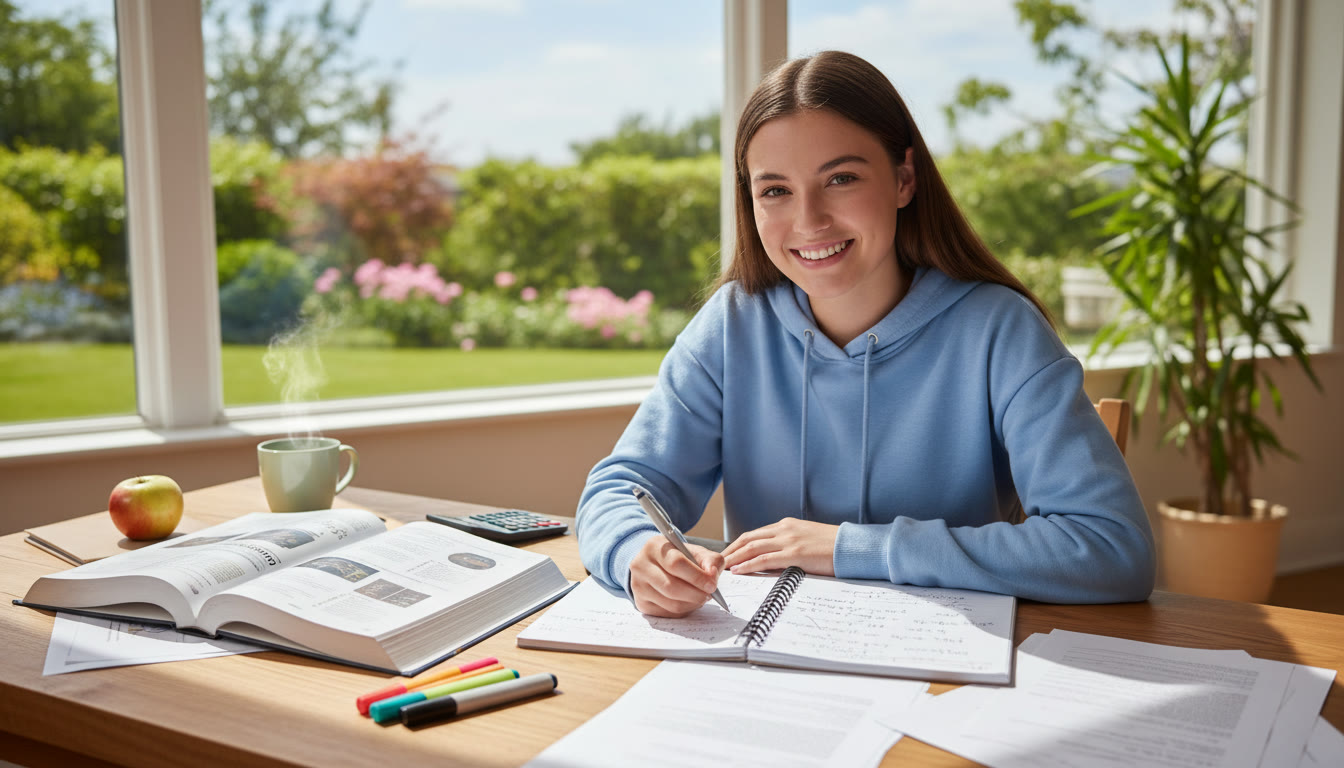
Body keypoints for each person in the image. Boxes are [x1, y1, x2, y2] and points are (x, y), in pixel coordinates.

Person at [576, 50, 1155, 618]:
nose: (809, 221)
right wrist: (635, 554)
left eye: (842, 178)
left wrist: (850, 547)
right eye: (775, 189)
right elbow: (620, 489)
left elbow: (1111, 548)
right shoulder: (732, 326)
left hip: (944, 678)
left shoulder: (1000, 331)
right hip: (763, 670)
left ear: (904, 178)